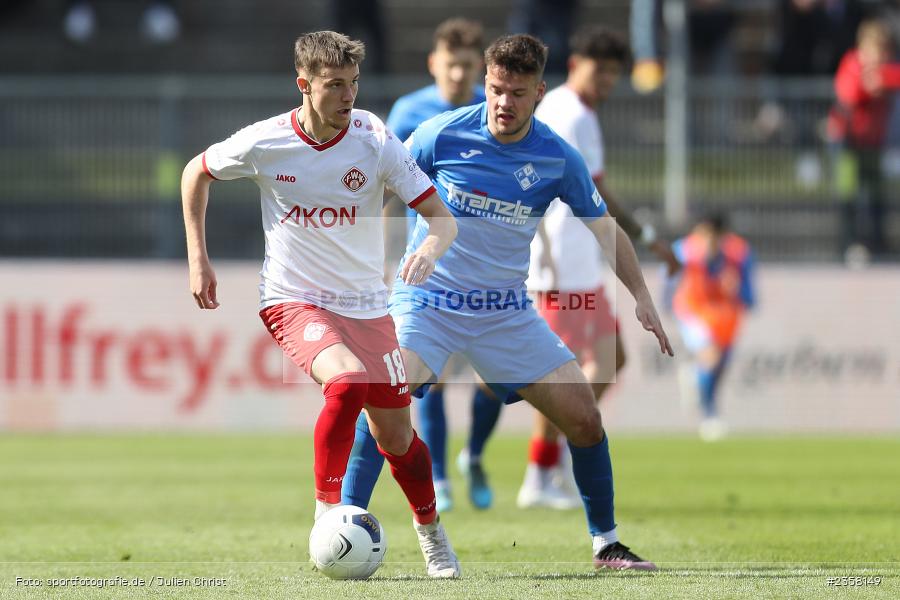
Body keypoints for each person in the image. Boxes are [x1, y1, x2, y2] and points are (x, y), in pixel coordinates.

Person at [346, 33, 673, 570]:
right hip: (430, 301)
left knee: (585, 419)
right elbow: (383, 187)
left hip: (504, 312)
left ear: (539, 91)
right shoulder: (440, 134)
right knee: (387, 395)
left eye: (517, 93)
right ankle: (347, 517)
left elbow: (606, 231)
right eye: (496, 89)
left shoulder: (556, 156)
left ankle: (606, 544)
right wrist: (369, 262)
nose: (503, 102)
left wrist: (641, 296)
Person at [180, 30, 461, 578]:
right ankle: (327, 512)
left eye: (353, 84)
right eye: (335, 86)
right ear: (303, 86)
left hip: (367, 306)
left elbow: (442, 218)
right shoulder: (267, 141)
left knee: (398, 440)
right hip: (294, 299)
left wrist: (430, 245)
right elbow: (197, 171)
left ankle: (431, 532)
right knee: (347, 381)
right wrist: (198, 258)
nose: (347, 97)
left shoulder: (374, 139)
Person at [342, 17, 500, 514]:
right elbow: (386, 187)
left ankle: (473, 454)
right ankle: (437, 476)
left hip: (487, 268)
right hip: (426, 264)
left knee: (495, 381)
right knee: (421, 375)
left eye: (467, 65)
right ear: (434, 63)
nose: (458, 74)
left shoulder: (491, 110)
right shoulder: (411, 113)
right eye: (451, 64)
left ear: (479, 68)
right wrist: (381, 258)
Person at [519, 25, 680, 510]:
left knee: (610, 361)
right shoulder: (569, 114)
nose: (606, 81)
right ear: (575, 66)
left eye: (613, 74)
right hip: (560, 265)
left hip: (579, 263)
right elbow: (596, 194)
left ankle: (551, 461)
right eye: (599, 71)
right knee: (571, 371)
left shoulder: (579, 113)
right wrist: (646, 236)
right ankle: (544, 469)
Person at [667, 213, 755, 442]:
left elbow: (749, 293)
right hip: (692, 312)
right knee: (710, 355)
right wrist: (665, 303)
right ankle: (709, 414)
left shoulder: (738, 254)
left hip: (725, 317)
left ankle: (699, 385)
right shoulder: (685, 251)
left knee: (719, 367)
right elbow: (669, 278)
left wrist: (737, 290)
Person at [828, 19, 900, 260]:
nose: (877, 56)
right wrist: (866, 86)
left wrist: (882, 80)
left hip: (872, 141)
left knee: (875, 192)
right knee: (848, 192)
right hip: (847, 141)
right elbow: (846, 95)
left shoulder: (884, 70)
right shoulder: (851, 65)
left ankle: (878, 243)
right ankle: (847, 244)